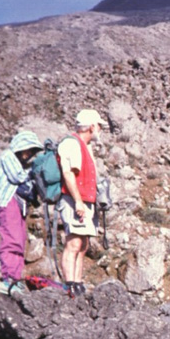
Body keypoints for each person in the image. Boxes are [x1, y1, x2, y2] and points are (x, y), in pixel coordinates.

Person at [57, 109, 107, 296]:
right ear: (91, 126)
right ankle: (70, 284)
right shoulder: (72, 144)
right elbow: (68, 173)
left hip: (86, 201)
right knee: (74, 243)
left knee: (83, 244)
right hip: (74, 200)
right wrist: (77, 201)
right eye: (99, 126)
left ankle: (77, 283)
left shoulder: (86, 146)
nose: (100, 129)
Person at [0, 130, 44, 296]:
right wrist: (33, 173)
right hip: (7, 203)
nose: (28, 155)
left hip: (16, 205)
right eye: (27, 150)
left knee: (20, 241)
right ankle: (8, 279)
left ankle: (15, 278)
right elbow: (17, 177)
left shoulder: (18, 162)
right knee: (12, 240)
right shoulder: (8, 156)